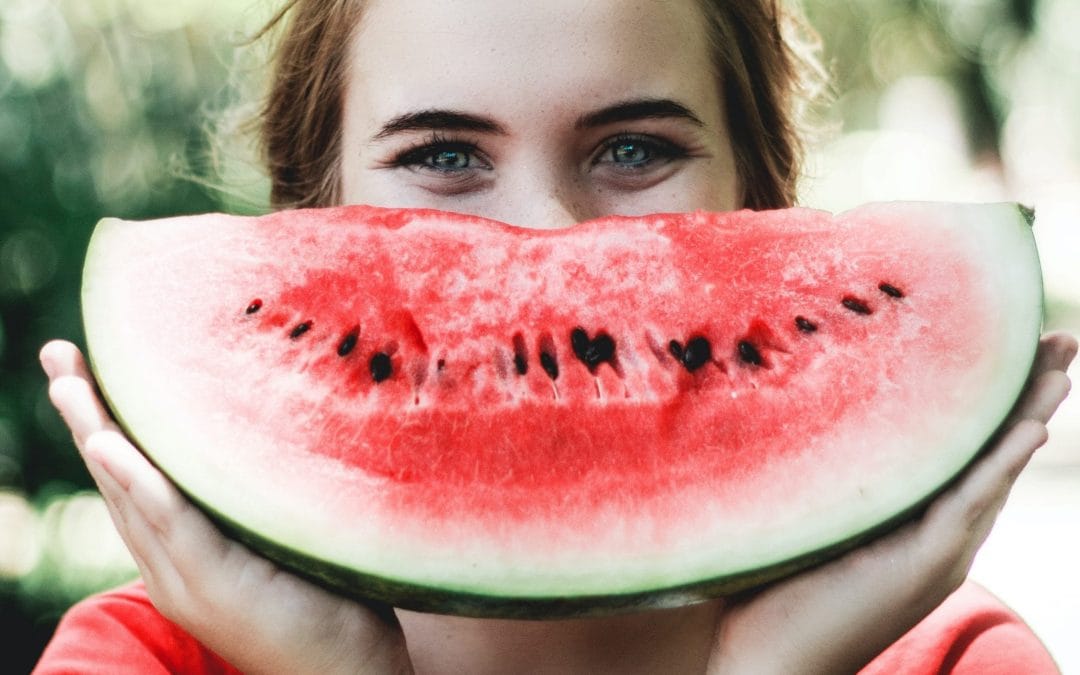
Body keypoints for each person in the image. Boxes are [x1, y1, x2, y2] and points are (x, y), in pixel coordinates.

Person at [35, 0, 1077, 673]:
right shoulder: (142, 658)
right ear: (312, 214)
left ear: (764, 200)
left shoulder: (958, 662)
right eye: (443, 155)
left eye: (633, 147)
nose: (545, 241)